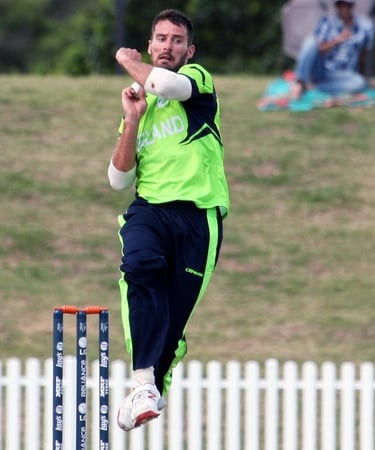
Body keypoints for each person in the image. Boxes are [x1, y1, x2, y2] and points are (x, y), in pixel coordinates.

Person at [110, 9, 229, 431]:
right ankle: (142, 381)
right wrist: (131, 120)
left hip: (199, 217)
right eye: (161, 38)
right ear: (150, 43)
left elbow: (163, 82)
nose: (168, 46)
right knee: (140, 267)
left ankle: (152, 385)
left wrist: (127, 61)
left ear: (189, 50)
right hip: (150, 210)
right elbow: (118, 178)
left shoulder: (197, 81)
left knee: (173, 323)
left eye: (177, 40)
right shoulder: (140, 102)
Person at [290, 0, 375, 99]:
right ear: (336, 6)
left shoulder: (365, 26)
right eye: (340, 5)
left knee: (360, 83)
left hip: (345, 74)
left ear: (352, 6)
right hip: (323, 69)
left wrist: (366, 77)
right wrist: (337, 40)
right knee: (310, 41)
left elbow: (364, 54)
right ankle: (300, 81)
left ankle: (313, 87)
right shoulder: (327, 21)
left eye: (346, 5)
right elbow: (318, 49)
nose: (343, 8)